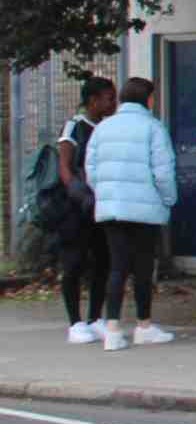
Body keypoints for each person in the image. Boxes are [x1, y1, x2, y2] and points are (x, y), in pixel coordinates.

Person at [85, 76, 178, 350]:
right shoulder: (153, 127)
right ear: (148, 99)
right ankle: (143, 325)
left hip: (111, 208)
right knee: (142, 268)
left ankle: (112, 329)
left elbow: (92, 169)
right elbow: (163, 172)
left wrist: (105, 194)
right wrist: (168, 200)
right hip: (144, 209)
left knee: (117, 267)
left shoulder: (103, 128)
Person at [55, 76, 116, 343]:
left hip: (101, 206)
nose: (113, 103)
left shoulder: (108, 127)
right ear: (93, 101)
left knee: (103, 261)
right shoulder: (75, 127)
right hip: (77, 208)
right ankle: (75, 322)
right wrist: (79, 194)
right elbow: (65, 167)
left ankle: (95, 318)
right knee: (74, 263)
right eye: (109, 98)